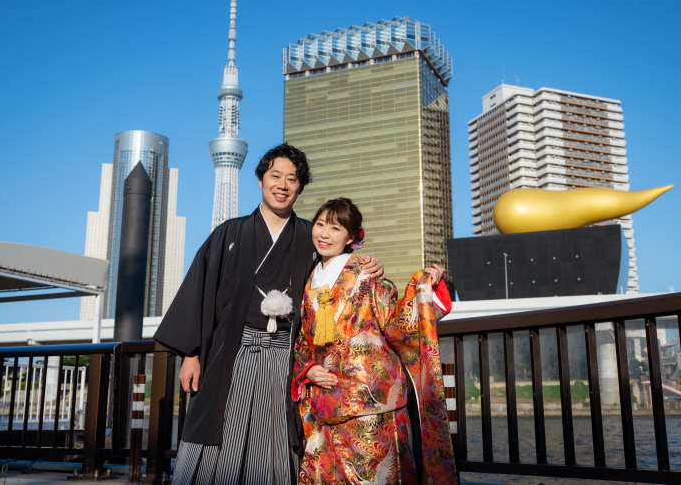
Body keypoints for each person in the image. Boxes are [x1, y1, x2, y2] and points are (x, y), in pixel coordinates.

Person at [154, 144, 383, 485]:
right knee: (217, 434)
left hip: (285, 359)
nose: (283, 184)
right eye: (275, 176)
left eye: (292, 179)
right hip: (232, 354)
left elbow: (337, 273)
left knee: (275, 440)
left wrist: (367, 265)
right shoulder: (229, 234)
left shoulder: (310, 236)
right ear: (260, 179)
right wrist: (191, 353)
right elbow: (198, 292)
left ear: (300, 188)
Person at [292, 198, 457, 485]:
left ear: (353, 237)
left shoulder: (367, 274)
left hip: (372, 402)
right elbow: (303, 343)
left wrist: (424, 288)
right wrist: (308, 370)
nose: (324, 234)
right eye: (319, 225)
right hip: (325, 404)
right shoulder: (309, 282)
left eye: (335, 228)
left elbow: (397, 325)